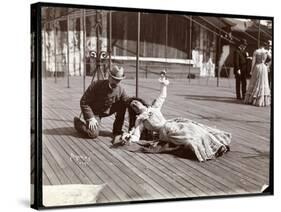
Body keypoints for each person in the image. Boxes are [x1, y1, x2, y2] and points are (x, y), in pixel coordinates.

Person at [116, 73, 231, 162]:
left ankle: (218, 145)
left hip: (172, 124)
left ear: (141, 102)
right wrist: (129, 138)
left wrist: (163, 85)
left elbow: (162, 97)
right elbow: (136, 135)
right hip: (166, 133)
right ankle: (208, 151)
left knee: (195, 129)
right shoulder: (140, 120)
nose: (135, 104)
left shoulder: (154, 108)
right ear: (133, 110)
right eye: (133, 105)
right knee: (188, 139)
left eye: (136, 102)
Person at [74, 65, 130, 142]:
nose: (116, 82)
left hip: (107, 110)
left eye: (118, 80)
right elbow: (84, 102)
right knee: (93, 134)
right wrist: (90, 118)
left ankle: (117, 130)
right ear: (109, 77)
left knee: (123, 103)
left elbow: (127, 100)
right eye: (114, 79)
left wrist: (136, 104)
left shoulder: (120, 90)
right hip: (95, 112)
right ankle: (78, 123)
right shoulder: (96, 85)